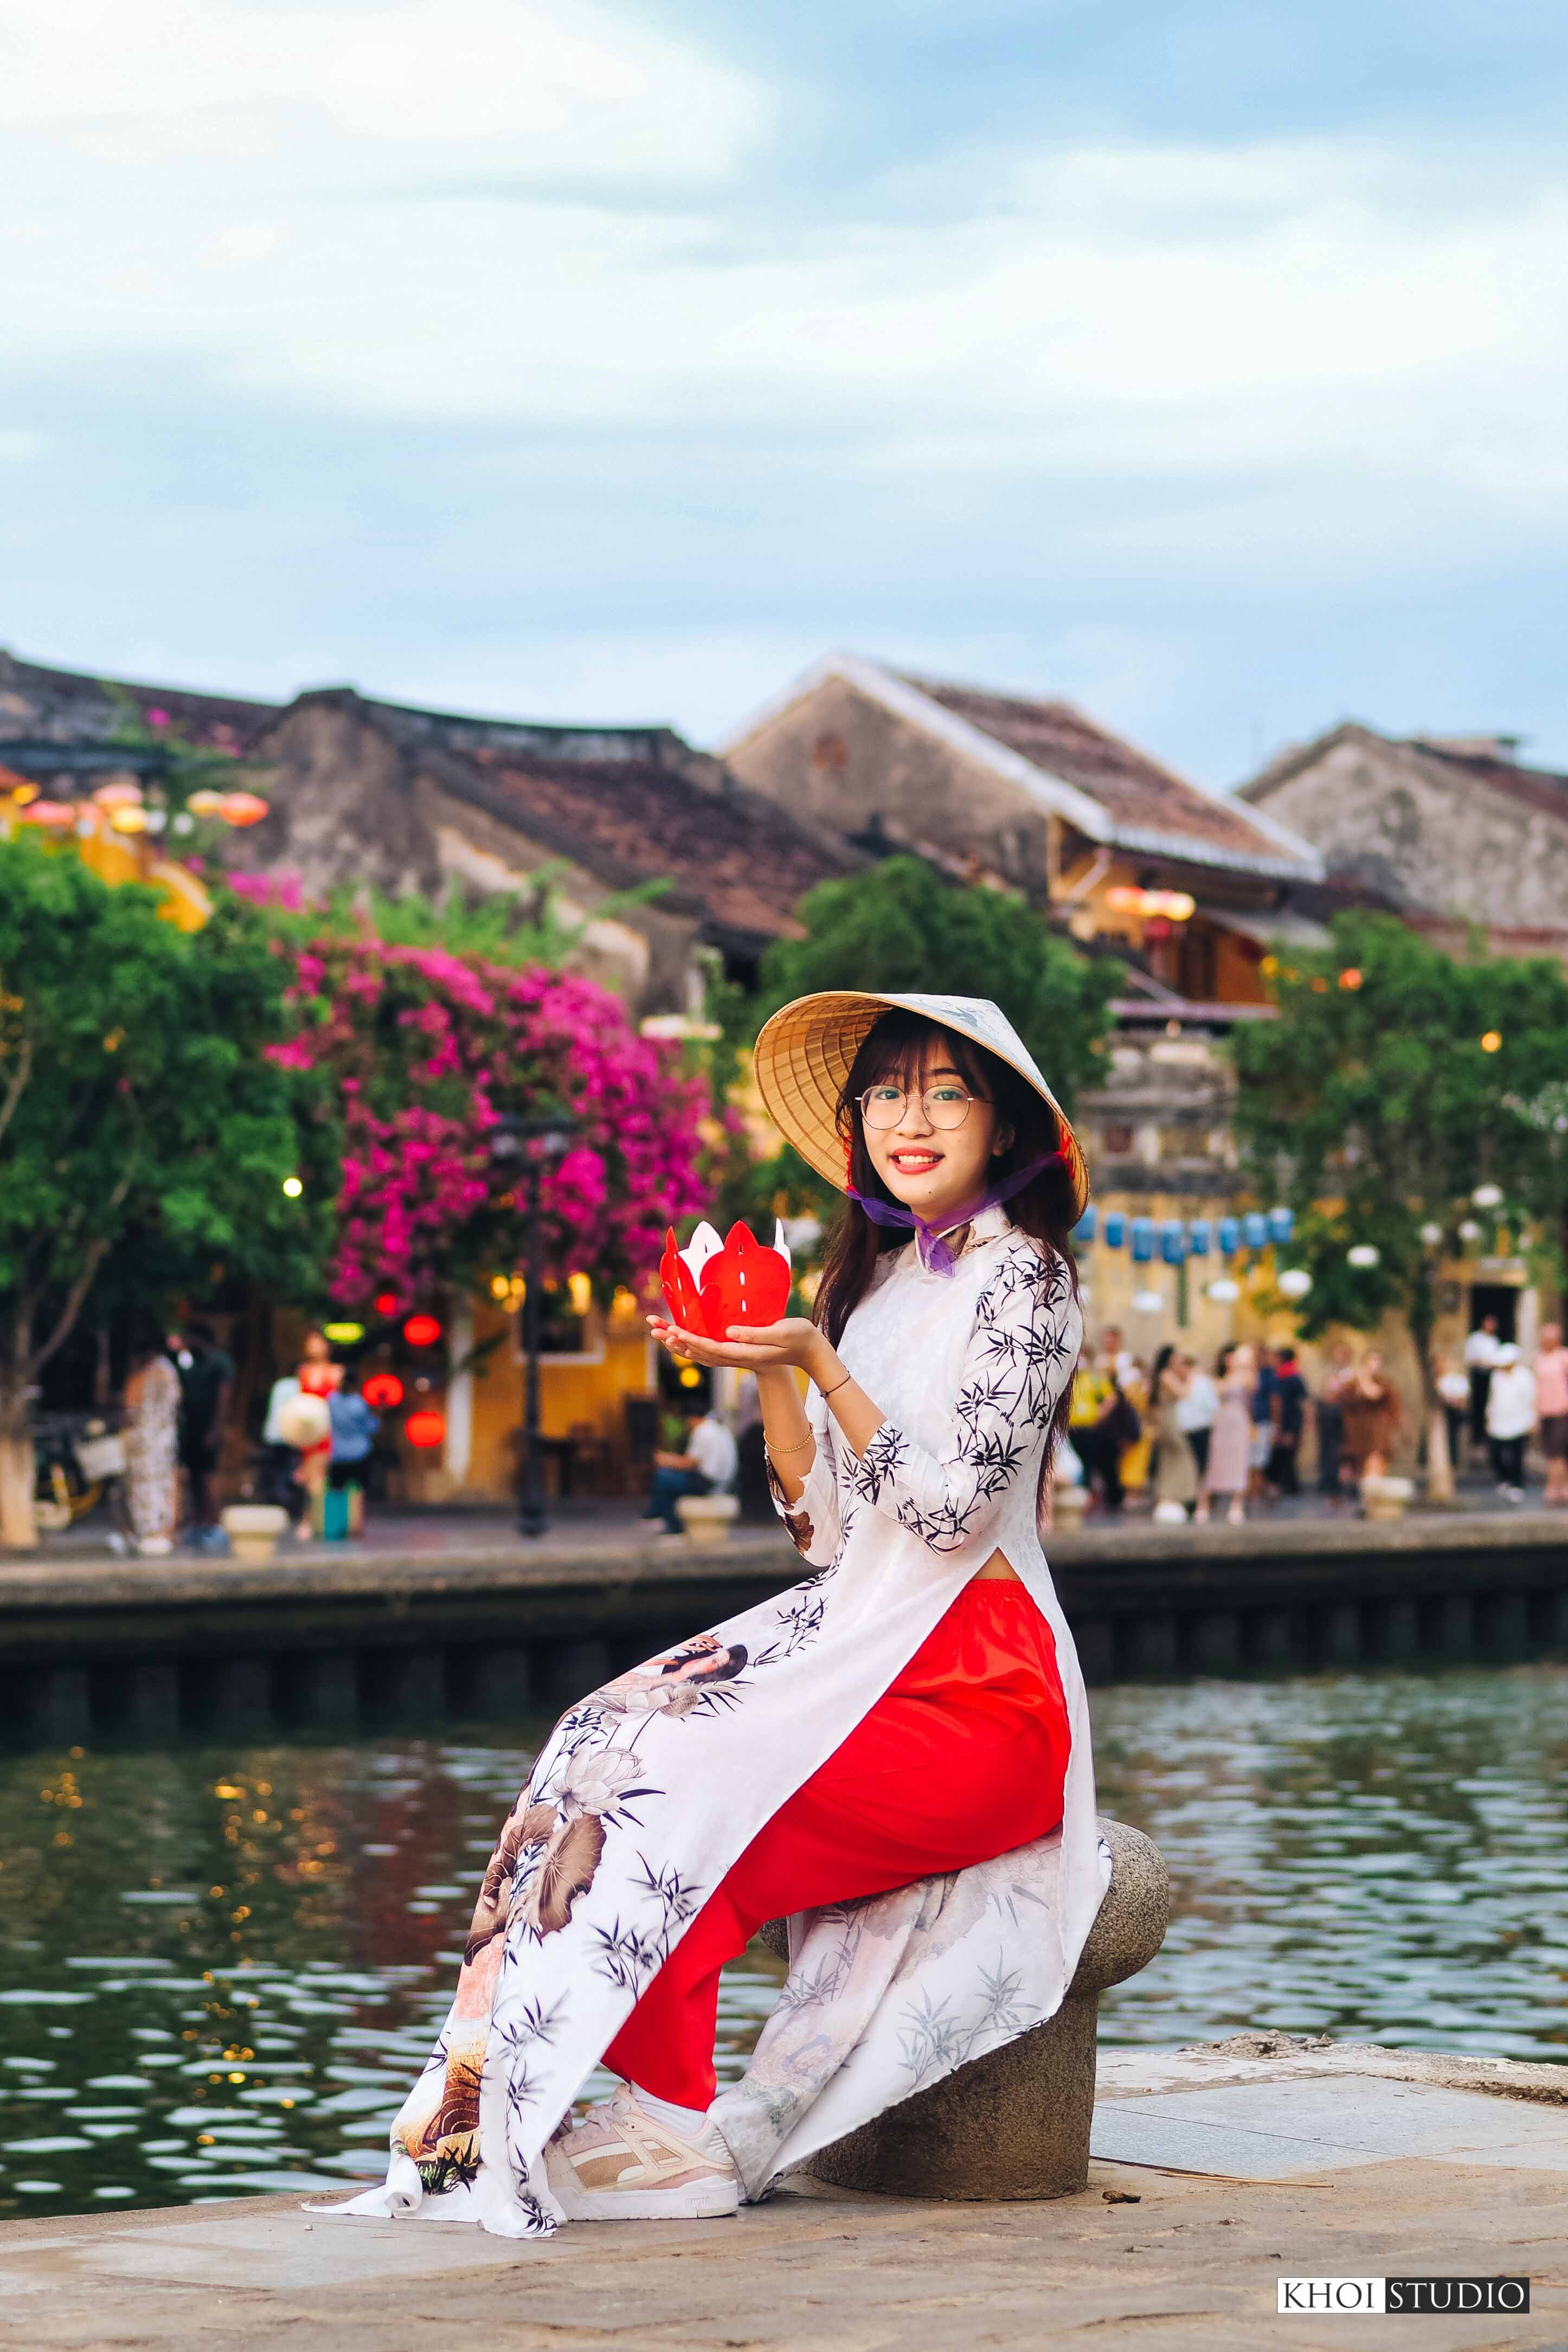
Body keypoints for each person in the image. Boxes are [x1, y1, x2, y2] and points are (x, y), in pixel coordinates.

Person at [334, 991, 1097, 2241]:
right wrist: (774, 1376)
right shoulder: (876, 1282)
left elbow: (955, 1514)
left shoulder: (1028, 1281)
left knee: (691, 1768)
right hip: (863, 1642)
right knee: (606, 1729)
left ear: (1003, 1122)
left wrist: (821, 1364)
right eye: (886, 1092)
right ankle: (609, 2094)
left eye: (945, 1090)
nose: (910, 1117)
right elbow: (828, 1535)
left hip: (980, 1687)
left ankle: (672, 2114)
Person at [173, 1320, 234, 1547]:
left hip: (208, 1428)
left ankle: (214, 1524)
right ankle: (198, 1523)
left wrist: (216, 1428)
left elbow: (224, 1397)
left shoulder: (220, 1362)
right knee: (192, 1477)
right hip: (189, 1428)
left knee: (208, 1477)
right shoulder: (188, 1362)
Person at [121, 1331, 181, 1556]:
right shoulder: (169, 1371)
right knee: (164, 1484)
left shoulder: (144, 1374)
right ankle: (165, 1532)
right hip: (165, 1439)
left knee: (145, 1487)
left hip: (144, 1440)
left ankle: (151, 1532)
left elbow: (130, 1404)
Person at [642, 1401, 738, 1537]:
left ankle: (664, 1518)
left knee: (663, 1477)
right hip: (725, 1481)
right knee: (671, 1480)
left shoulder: (702, 1431)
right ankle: (659, 1514)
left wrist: (666, 1460)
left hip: (709, 1482)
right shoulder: (720, 1429)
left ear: (691, 1418)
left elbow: (689, 1463)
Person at [1069, 1341, 1127, 1514]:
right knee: (1081, 1466)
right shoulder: (1068, 1379)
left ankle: (1113, 1499)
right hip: (1072, 1429)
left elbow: (1112, 1397)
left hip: (1091, 1429)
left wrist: (1099, 1414)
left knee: (1098, 1464)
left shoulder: (1094, 1378)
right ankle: (1085, 1500)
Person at [1200, 1341, 1254, 1525]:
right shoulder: (1219, 1378)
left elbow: (1249, 1386)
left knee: (1239, 1461)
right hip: (1221, 1422)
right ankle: (1205, 1503)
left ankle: (1236, 1504)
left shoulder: (1246, 1375)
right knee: (1215, 1460)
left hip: (1238, 1421)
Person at [294, 1327, 343, 1531]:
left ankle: (313, 1520)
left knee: (319, 1476)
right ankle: (313, 1519)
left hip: (326, 1430)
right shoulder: (303, 1371)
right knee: (308, 1477)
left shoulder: (336, 1371)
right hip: (307, 1430)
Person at [1339, 1348, 1403, 1487]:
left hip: (1377, 1438)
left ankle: (1372, 1503)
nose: (1374, 1365)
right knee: (1360, 1475)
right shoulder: (1352, 1385)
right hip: (1357, 1438)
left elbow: (1374, 1395)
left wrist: (1362, 1378)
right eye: (1371, 1361)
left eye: (1377, 1361)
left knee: (1374, 1471)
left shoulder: (1384, 1383)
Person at [1149, 1344, 1198, 1519]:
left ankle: (1171, 1496)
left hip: (1169, 1420)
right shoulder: (1167, 1375)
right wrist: (1191, 1375)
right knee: (1181, 1458)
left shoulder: (1163, 1376)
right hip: (1169, 1422)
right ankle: (1172, 1495)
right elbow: (1184, 1393)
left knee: (1170, 1460)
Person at [1485, 1342, 1536, 1501]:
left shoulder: (1525, 1376)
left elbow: (1531, 1400)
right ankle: (1504, 1479)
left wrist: (1532, 1421)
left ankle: (1517, 1485)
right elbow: (1493, 1398)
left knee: (1516, 1456)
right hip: (1498, 1421)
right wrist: (1489, 1416)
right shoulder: (1497, 1376)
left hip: (1519, 1422)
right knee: (1494, 1454)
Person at [1267, 1343, 1308, 1498]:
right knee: (1283, 1455)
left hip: (1290, 1423)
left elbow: (1300, 1404)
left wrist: (1290, 1429)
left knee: (1287, 1456)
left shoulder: (1292, 1377)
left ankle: (1291, 1487)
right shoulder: (1280, 1376)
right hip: (1285, 1423)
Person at [327, 1367, 380, 1488]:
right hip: (359, 1454)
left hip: (337, 1454)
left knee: (337, 1494)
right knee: (361, 1494)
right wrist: (378, 1416)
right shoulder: (359, 1403)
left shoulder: (331, 1400)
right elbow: (370, 1428)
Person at [1533, 1323, 1568, 1505]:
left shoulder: (1563, 1357)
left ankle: (1554, 1487)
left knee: (1558, 1451)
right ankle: (1560, 1486)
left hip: (1561, 1411)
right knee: (1550, 1453)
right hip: (1545, 1411)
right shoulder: (1539, 1359)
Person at [1316, 1338, 1355, 1499]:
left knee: (1344, 1452)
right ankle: (1329, 1480)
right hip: (1329, 1418)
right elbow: (1325, 1393)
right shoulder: (1330, 1373)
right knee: (1329, 1451)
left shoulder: (1351, 1374)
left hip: (1344, 1418)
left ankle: (1345, 1483)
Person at [1174, 1348, 1217, 1487]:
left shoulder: (1202, 1382)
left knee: (1200, 1466)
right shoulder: (1178, 1383)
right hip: (1184, 1430)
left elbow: (1212, 1406)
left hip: (1199, 1429)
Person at [1465, 1314, 1501, 1450]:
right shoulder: (1475, 1339)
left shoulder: (1495, 1341)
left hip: (1491, 1374)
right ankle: (1476, 1436)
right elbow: (1470, 1359)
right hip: (1478, 1374)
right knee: (1478, 1405)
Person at [1434, 1352, 1470, 1480]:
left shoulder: (1459, 1380)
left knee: (1455, 1437)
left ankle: (1456, 1461)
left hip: (1457, 1413)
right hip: (1447, 1412)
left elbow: (1463, 1398)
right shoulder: (1441, 1381)